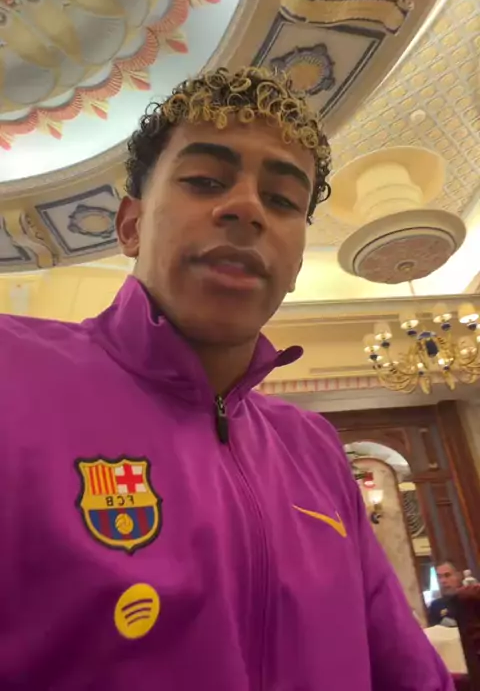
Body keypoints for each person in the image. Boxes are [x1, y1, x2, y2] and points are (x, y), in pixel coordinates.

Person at [0, 67, 452, 690]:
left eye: (283, 200)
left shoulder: (315, 449)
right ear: (131, 226)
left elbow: (406, 670)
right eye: (205, 181)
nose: (245, 208)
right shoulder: (14, 374)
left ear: (297, 262)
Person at [428, 561, 463, 626]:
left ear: (459, 576)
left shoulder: (472, 599)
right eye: (439, 577)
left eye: (447, 575)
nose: (442, 581)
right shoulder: (435, 606)